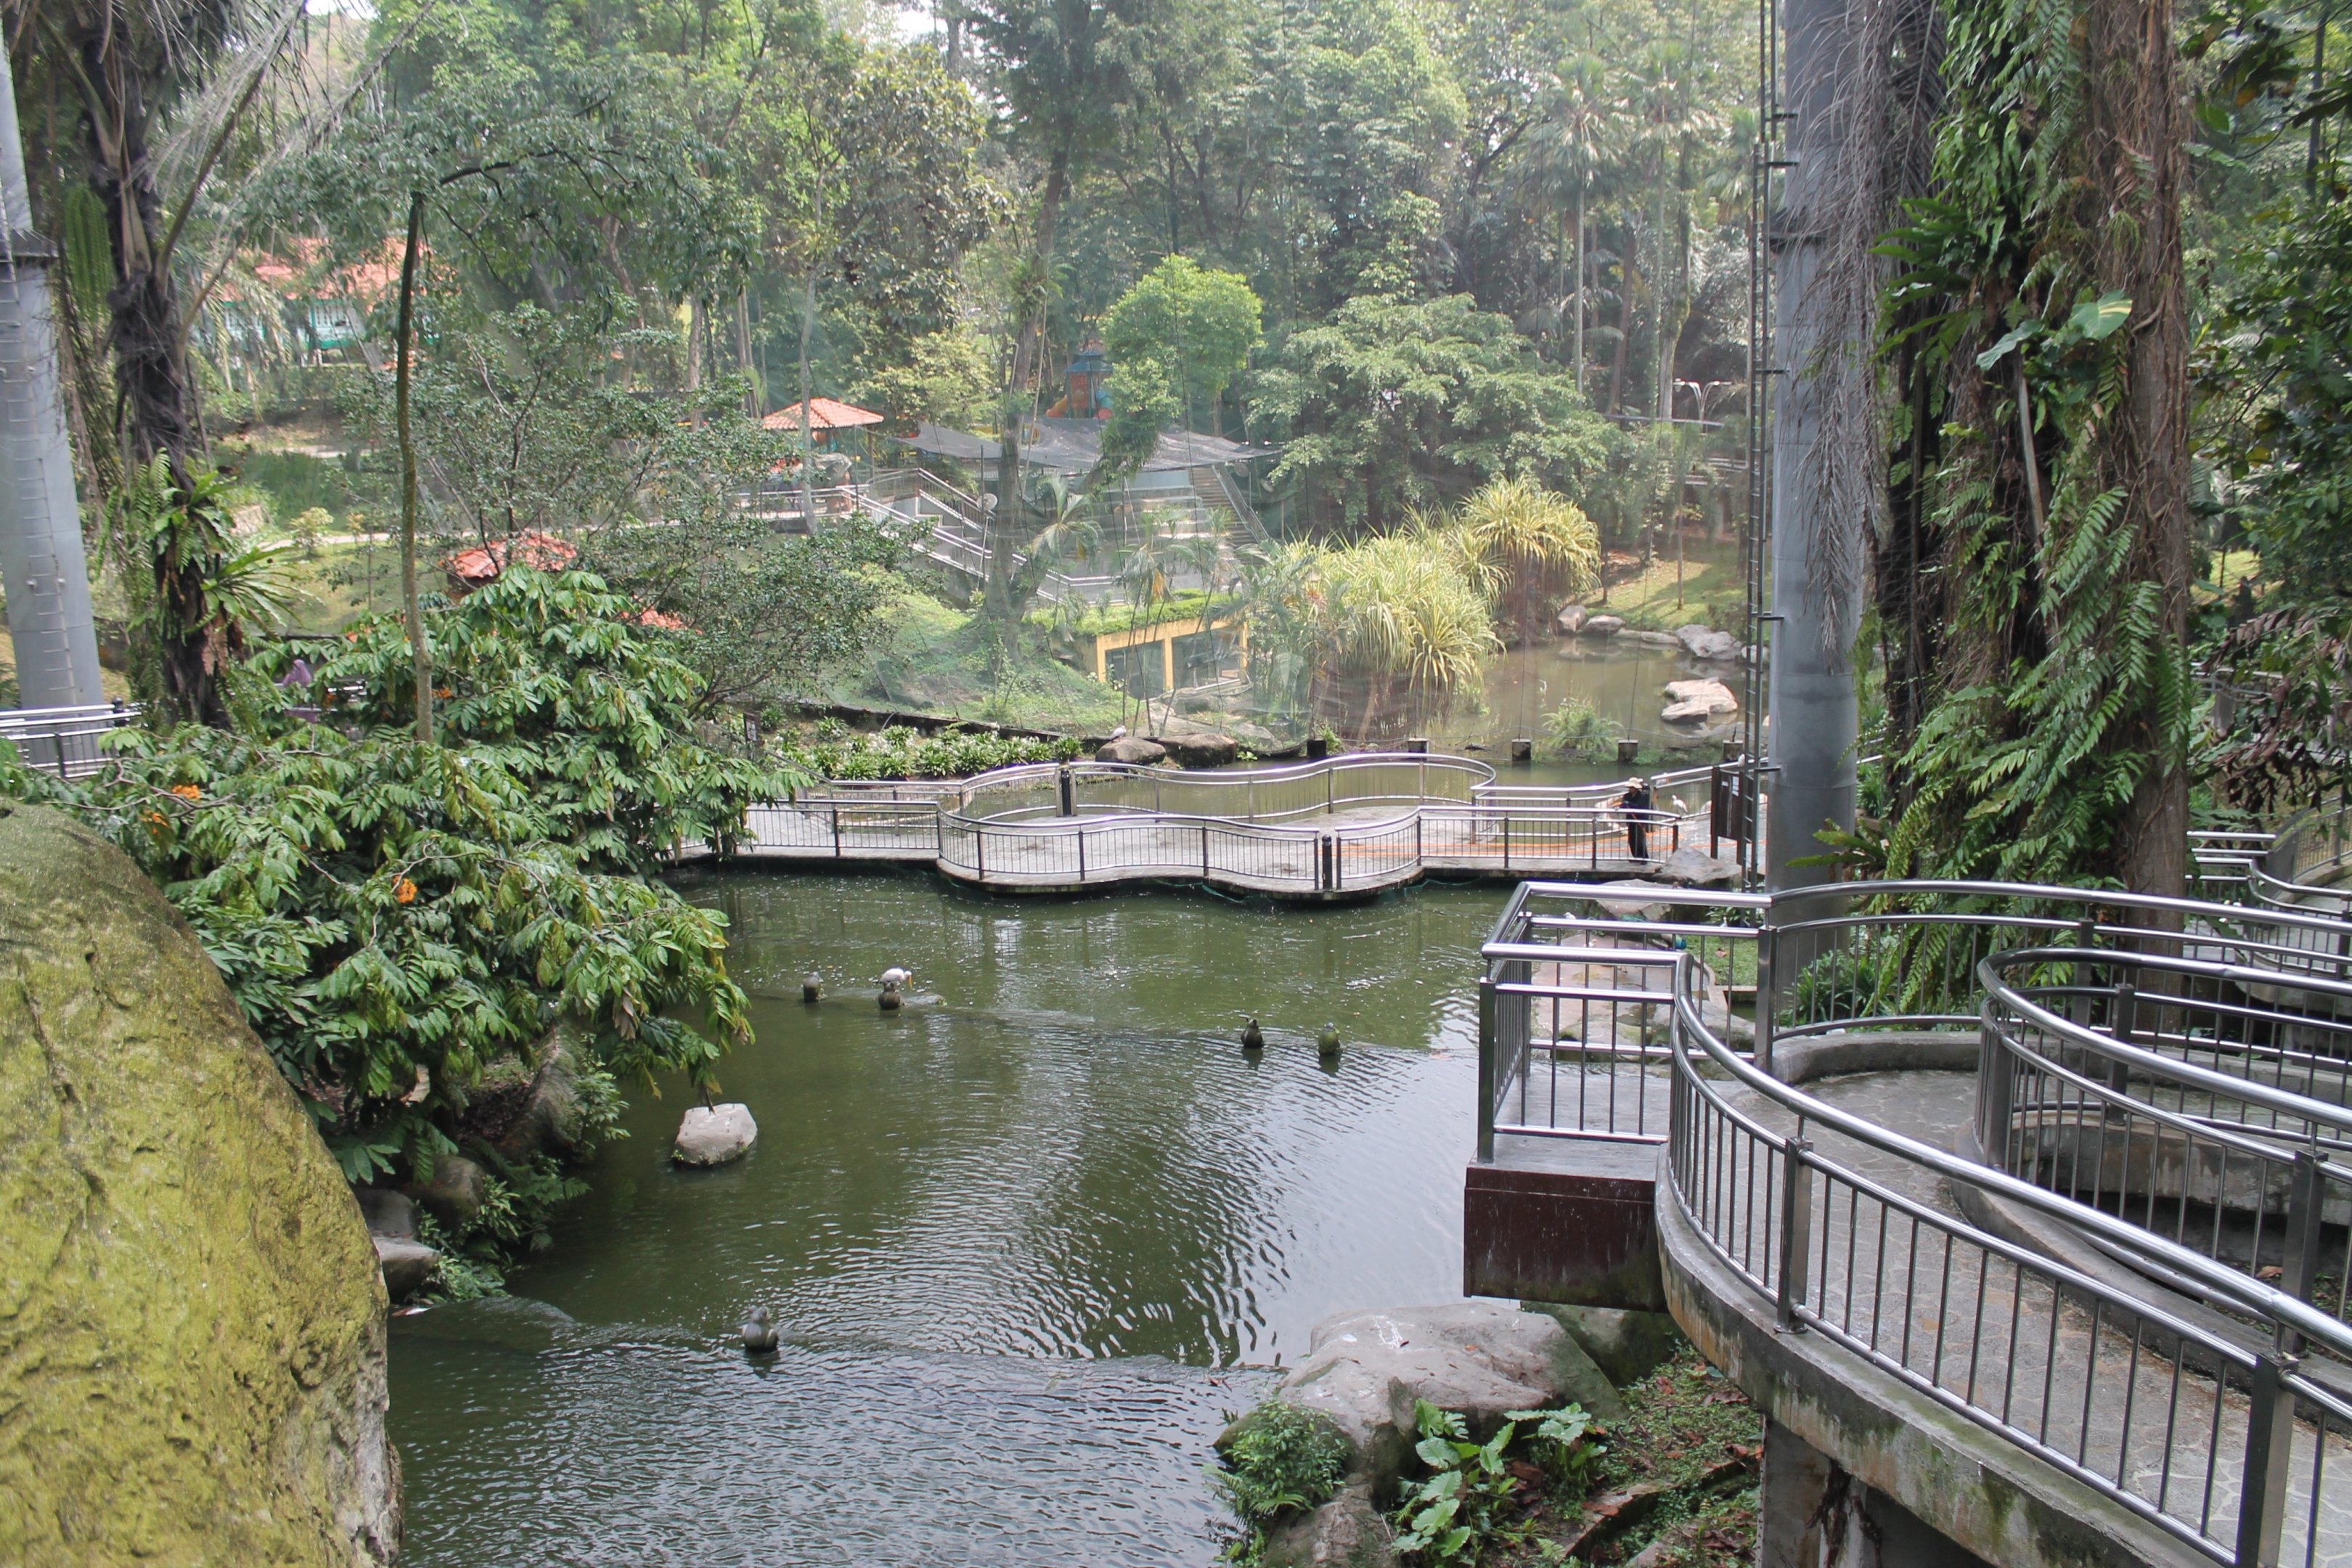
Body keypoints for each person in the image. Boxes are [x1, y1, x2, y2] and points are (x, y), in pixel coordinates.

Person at [1619, 775, 1655, 862]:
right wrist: (1624, 805)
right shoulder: (1627, 796)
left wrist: (1630, 804)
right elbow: (1623, 806)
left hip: (1640, 820)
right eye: (1629, 787)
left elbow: (1641, 807)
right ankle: (1636, 857)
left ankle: (1644, 858)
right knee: (1632, 839)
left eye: (1632, 787)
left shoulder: (1642, 796)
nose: (1630, 789)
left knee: (1640, 839)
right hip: (1631, 820)